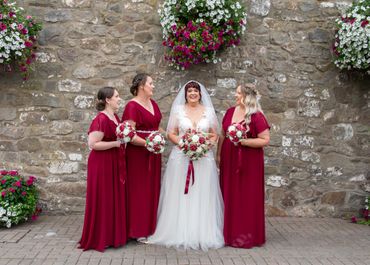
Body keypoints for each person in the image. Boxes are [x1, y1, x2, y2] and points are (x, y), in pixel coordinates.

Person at [146, 80, 224, 251]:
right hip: (181, 158)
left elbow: (214, 134)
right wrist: (185, 144)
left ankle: (202, 233)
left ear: (200, 94)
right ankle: (178, 232)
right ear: (186, 94)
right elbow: (171, 133)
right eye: (190, 91)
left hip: (204, 159)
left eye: (196, 90)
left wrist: (204, 146)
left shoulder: (209, 111)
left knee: (202, 193)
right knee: (181, 194)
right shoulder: (178, 111)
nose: (193, 93)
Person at [217, 83, 270, 249]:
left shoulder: (257, 116)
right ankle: (227, 233)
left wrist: (243, 141)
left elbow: (265, 139)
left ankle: (245, 233)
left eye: (238, 93)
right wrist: (218, 154)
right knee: (228, 192)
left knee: (246, 196)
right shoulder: (229, 112)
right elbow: (222, 134)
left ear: (247, 96)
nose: (235, 95)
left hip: (249, 161)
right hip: (228, 158)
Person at [79, 87, 127, 252]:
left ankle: (112, 236)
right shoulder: (101, 119)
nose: (119, 99)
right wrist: (115, 144)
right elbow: (93, 144)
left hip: (113, 161)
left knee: (112, 198)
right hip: (101, 164)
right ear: (107, 99)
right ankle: (100, 237)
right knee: (103, 199)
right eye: (117, 96)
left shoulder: (115, 117)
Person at [121, 73, 162, 239]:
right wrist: (148, 144)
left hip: (154, 152)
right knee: (139, 190)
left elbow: (156, 128)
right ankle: (137, 230)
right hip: (138, 154)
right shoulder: (132, 106)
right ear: (141, 86)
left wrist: (178, 136)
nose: (153, 86)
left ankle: (151, 227)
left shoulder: (154, 103)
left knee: (152, 188)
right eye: (150, 83)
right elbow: (128, 134)